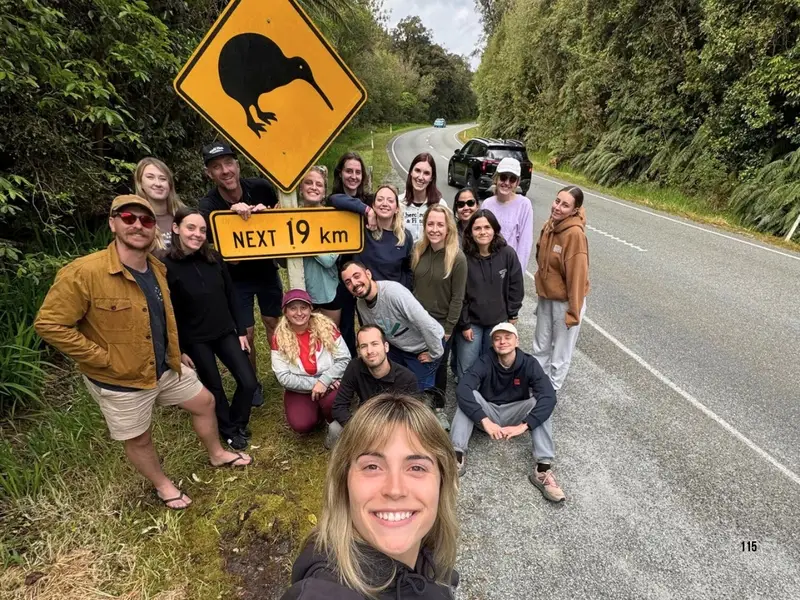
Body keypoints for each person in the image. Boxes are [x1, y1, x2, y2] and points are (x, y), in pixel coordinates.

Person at [34, 195, 252, 511]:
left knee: (205, 402)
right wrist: (101, 357)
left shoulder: (157, 269)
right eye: (128, 218)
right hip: (120, 379)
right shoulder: (84, 273)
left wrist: (176, 352)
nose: (138, 225)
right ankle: (163, 485)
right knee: (139, 438)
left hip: (164, 366)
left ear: (154, 229)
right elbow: (50, 324)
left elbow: (166, 317)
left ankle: (217, 453)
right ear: (113, 222)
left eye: (146, 220)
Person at [281, 393, 460, 600]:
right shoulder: (322, 591)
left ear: (442, 481)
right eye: (372, 466)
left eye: (417, 467)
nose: (395, 489)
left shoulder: (429, 555)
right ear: (343, 482)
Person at [159, 207, 258, 451]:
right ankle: (228, 431)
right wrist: (179, 350)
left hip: (225, 331)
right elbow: (166, 312)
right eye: (190, 228)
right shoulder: (164, 265)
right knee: (214, 388)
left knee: (248, 381)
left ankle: (238, 421)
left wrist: (241, 331)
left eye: (202, 230)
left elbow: (231, 295)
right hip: (195, 339)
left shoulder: (214, 258)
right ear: (176, 229)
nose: (197, 234)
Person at [198, 141, 281, 407]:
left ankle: (285, 372)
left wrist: (266, 214)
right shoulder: (208, 206)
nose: (225, 171)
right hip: (235, 279)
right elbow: (205, 247)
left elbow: (283, 216)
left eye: (228, 163)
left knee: (274, 323)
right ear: (209, 173)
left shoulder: (260, 188)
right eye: (216, 167)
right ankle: (252, 383)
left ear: (237, 165)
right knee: (244, 331)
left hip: (266, 270)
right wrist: (228, 217)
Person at [450, 322, 564, 503]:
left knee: (540, 402)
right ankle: (456, 457)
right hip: (489, 411)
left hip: (516, 412)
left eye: (507, 337)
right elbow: (463, 388)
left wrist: (524, 426)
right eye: (497, 338)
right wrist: (484, 420)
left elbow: (549, 396)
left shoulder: (529, 363)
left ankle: (542, 469)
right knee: (468, 395)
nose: (502, 342)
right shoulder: (485, 360)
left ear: (517, 341)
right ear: (493, 344)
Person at [340, 261, 444, 392]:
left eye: (357, 276)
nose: (354, 284)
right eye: (348, 282)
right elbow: (373, 334)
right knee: (391, 383)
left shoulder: (393, 293)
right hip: (398, 346)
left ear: (368, 274)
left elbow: (425, 323)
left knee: (417, 392)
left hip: (424, 345)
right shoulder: (361, 305)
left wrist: (434, 353)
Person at [411, 205, 467, 430]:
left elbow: (458, 297)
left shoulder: (457, 258)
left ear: (448, 228)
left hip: (441, 323)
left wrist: (448, 328)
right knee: (418, 360)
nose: (434, 229)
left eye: (439, 225)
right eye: (430, 224)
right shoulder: (418, 250)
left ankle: (438, 407)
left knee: (439, 364)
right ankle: (417, 405)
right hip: (417, 320)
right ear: (425, 226)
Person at [533, 185, 590, 391]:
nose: (557, 207)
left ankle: (552, 391)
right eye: (557, 201)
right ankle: (538, 387)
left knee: (560, 353)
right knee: (540, 347)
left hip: (565, 302)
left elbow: (577, 277)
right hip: (547, 298)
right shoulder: (550, 225)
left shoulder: (574, 235)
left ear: (575, 211)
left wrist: (573, 312)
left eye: (565, 205)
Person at [271, 289, 351, 434]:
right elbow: (283, 376)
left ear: (310, 309)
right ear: (286, 312)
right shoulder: (279, 337)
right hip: (300, 388)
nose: (299, 313)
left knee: (333, 404)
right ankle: (316, 413)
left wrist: (325, 380)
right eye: (293, 308)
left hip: (330, 382)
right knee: (302, 424)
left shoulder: (327, 327)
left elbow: (345, 358)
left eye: (303, 307)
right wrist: (318, 384)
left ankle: (330, 419)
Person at [456, 209, 524, 378]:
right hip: (472, 323)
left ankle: (487, 396)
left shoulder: (507, 254)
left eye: (487, 227)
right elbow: (459, 293)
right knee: (467, 366)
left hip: (498, 321)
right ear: (470, 233)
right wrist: (464, 324)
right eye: (477, 228)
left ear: (495, 229)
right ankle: (467, 397)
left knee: (493, 362)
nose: (483, 232)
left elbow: (516, 286)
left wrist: (512, 313)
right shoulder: (463, 258)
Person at [329, 325, 418, 442]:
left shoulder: (407, 378)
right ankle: (344, 458)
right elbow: (339, 407)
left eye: (375, 344)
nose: (370, 351)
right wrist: (358, 430)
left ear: (386, 347)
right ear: (359, 351)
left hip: (392, 425)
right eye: (364, 346)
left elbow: (411, 420)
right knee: (334, 428)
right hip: (365, 419)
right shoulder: (354, 367)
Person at [329, 152, 373, 357]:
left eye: (358, 172)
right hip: (343, 275)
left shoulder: (370, 200)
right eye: (349, 171)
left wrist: (369, 208)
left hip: (368, 273)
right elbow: (337, 199)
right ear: (340, 173)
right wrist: (365, 210)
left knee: (370, 323)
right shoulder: (333, 202)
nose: (354, 176)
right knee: (345, 324)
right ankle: (350, 363)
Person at [336, 184, 414, 290]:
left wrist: (404, 289)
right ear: (373, 205)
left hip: (394, 296)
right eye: (380, 199)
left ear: (397, 209)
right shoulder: (362, 229)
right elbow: (334, 199)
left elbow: (408, 269)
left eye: (390, 201)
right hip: (366, 295)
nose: (384, 204)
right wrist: (367, 211)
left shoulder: (405, 236)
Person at [481, 158, 534, 268]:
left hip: (510, 266)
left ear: (517, 182)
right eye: (503, 177)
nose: (506, 183)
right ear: (497, 178)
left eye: (512, 179)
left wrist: (518, 272)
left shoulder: (524, 205)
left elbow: (525, 243)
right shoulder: (487, 204)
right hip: (488, 265)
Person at [133, 157, 185, 250]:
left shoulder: (184, 215)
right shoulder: (134, 221)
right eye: (150, 177)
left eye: (163, 178)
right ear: (140, 183)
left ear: (169, 184)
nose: (158, 183)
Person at [399, 152, 447, 241]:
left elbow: (448, 236)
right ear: (411, 173)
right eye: (417, 170)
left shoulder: (440, 204)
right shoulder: (398, 202)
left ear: (431, 178)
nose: (421, 177)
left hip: (430, 254)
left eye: (426, 173)